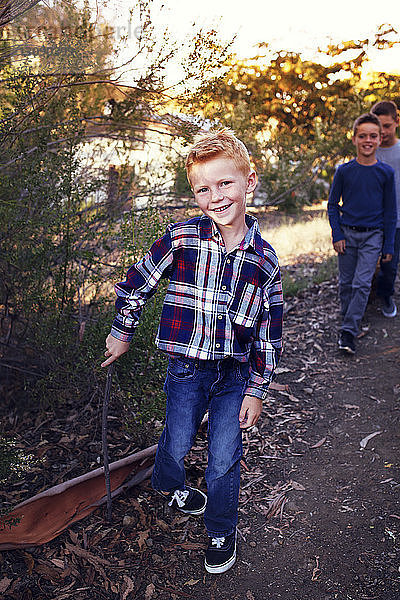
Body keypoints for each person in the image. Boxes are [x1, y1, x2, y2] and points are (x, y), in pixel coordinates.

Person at [101, 129, 283, 573]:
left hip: (234, 377)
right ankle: (172, 484)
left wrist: (257, 388)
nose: (215, 196)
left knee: (224, 458)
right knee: (177, 442)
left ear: (249, 181)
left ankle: (222, 529)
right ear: (194, 193)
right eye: (203, 188)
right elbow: (137, 283)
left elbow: (269, 332)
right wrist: (122, 332)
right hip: (185, 369)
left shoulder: (265, 262)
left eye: (224, 183)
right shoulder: (182, 237)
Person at [328, 112, 397, 355]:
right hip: (347, 234)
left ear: (380, 139)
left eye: (373, 136)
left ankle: (348, 331)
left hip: (372, 236)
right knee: (346, 283)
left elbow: (390, 212)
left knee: (361, 283)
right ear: (355, 139)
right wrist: (337, 234)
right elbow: (332, 205)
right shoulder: (344, 171)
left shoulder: (386, 173)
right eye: (363, 136)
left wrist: (388, 245)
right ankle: (349, 321)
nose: (368, 140)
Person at [371, 100, 400, 318]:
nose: (384, 132)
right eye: (379, 127)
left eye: (387, 126)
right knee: (367, 263)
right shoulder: (370, 150)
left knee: (390, 264)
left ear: (397, 122)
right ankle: (367, 296)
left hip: (396, 222)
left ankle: (386, 296)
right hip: (371, 221)